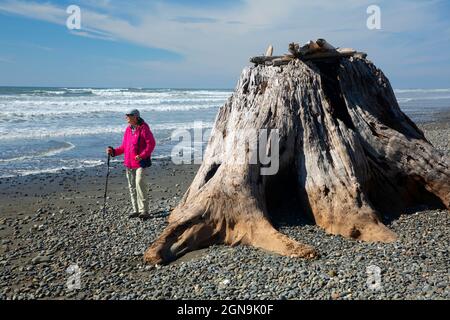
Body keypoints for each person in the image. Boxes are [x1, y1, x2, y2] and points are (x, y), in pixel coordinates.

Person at [106, 109, 156, 220]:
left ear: (135, 117)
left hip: (140, 163)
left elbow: (151, 144)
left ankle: (145, 211)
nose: (126, 117)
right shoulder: (128, 130)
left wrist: (142, 155)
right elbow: (124, 147)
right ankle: (136, 210)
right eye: (126, 115)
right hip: (129, 163)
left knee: (139, 184)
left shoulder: (144, 128)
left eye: (128, 115)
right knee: (132, 187)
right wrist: (113, 152)